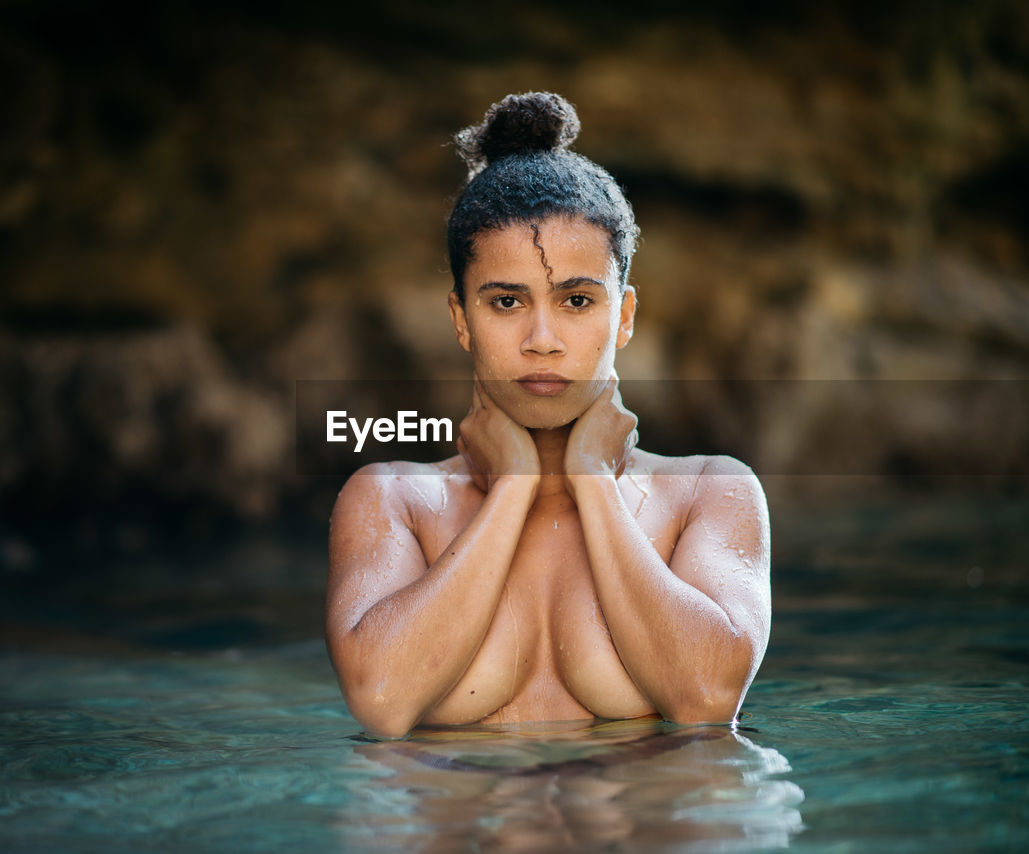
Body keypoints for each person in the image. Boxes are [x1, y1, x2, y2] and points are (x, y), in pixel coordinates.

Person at [326, 92, 770, 739]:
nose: (542, 338)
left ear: (624, 317)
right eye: (506, 302)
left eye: (577, 301)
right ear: (460, 320)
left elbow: (705, 698)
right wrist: (512, 488)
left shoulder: (709, 493)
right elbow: (383, 700)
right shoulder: (394, 502)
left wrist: (592, 476)